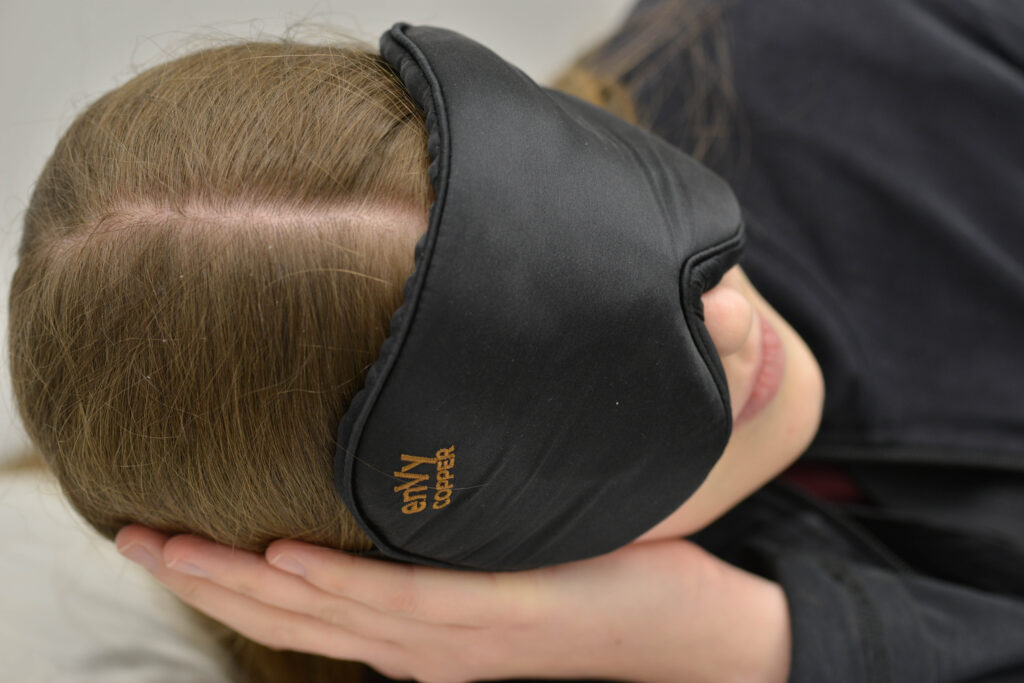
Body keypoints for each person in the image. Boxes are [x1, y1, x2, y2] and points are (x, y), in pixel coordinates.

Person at [10, 0, 1024, 682]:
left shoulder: (873, 45)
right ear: (398, 555)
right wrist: (757, 646)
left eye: (594, 213)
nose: (728, 318)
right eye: (566, 384)